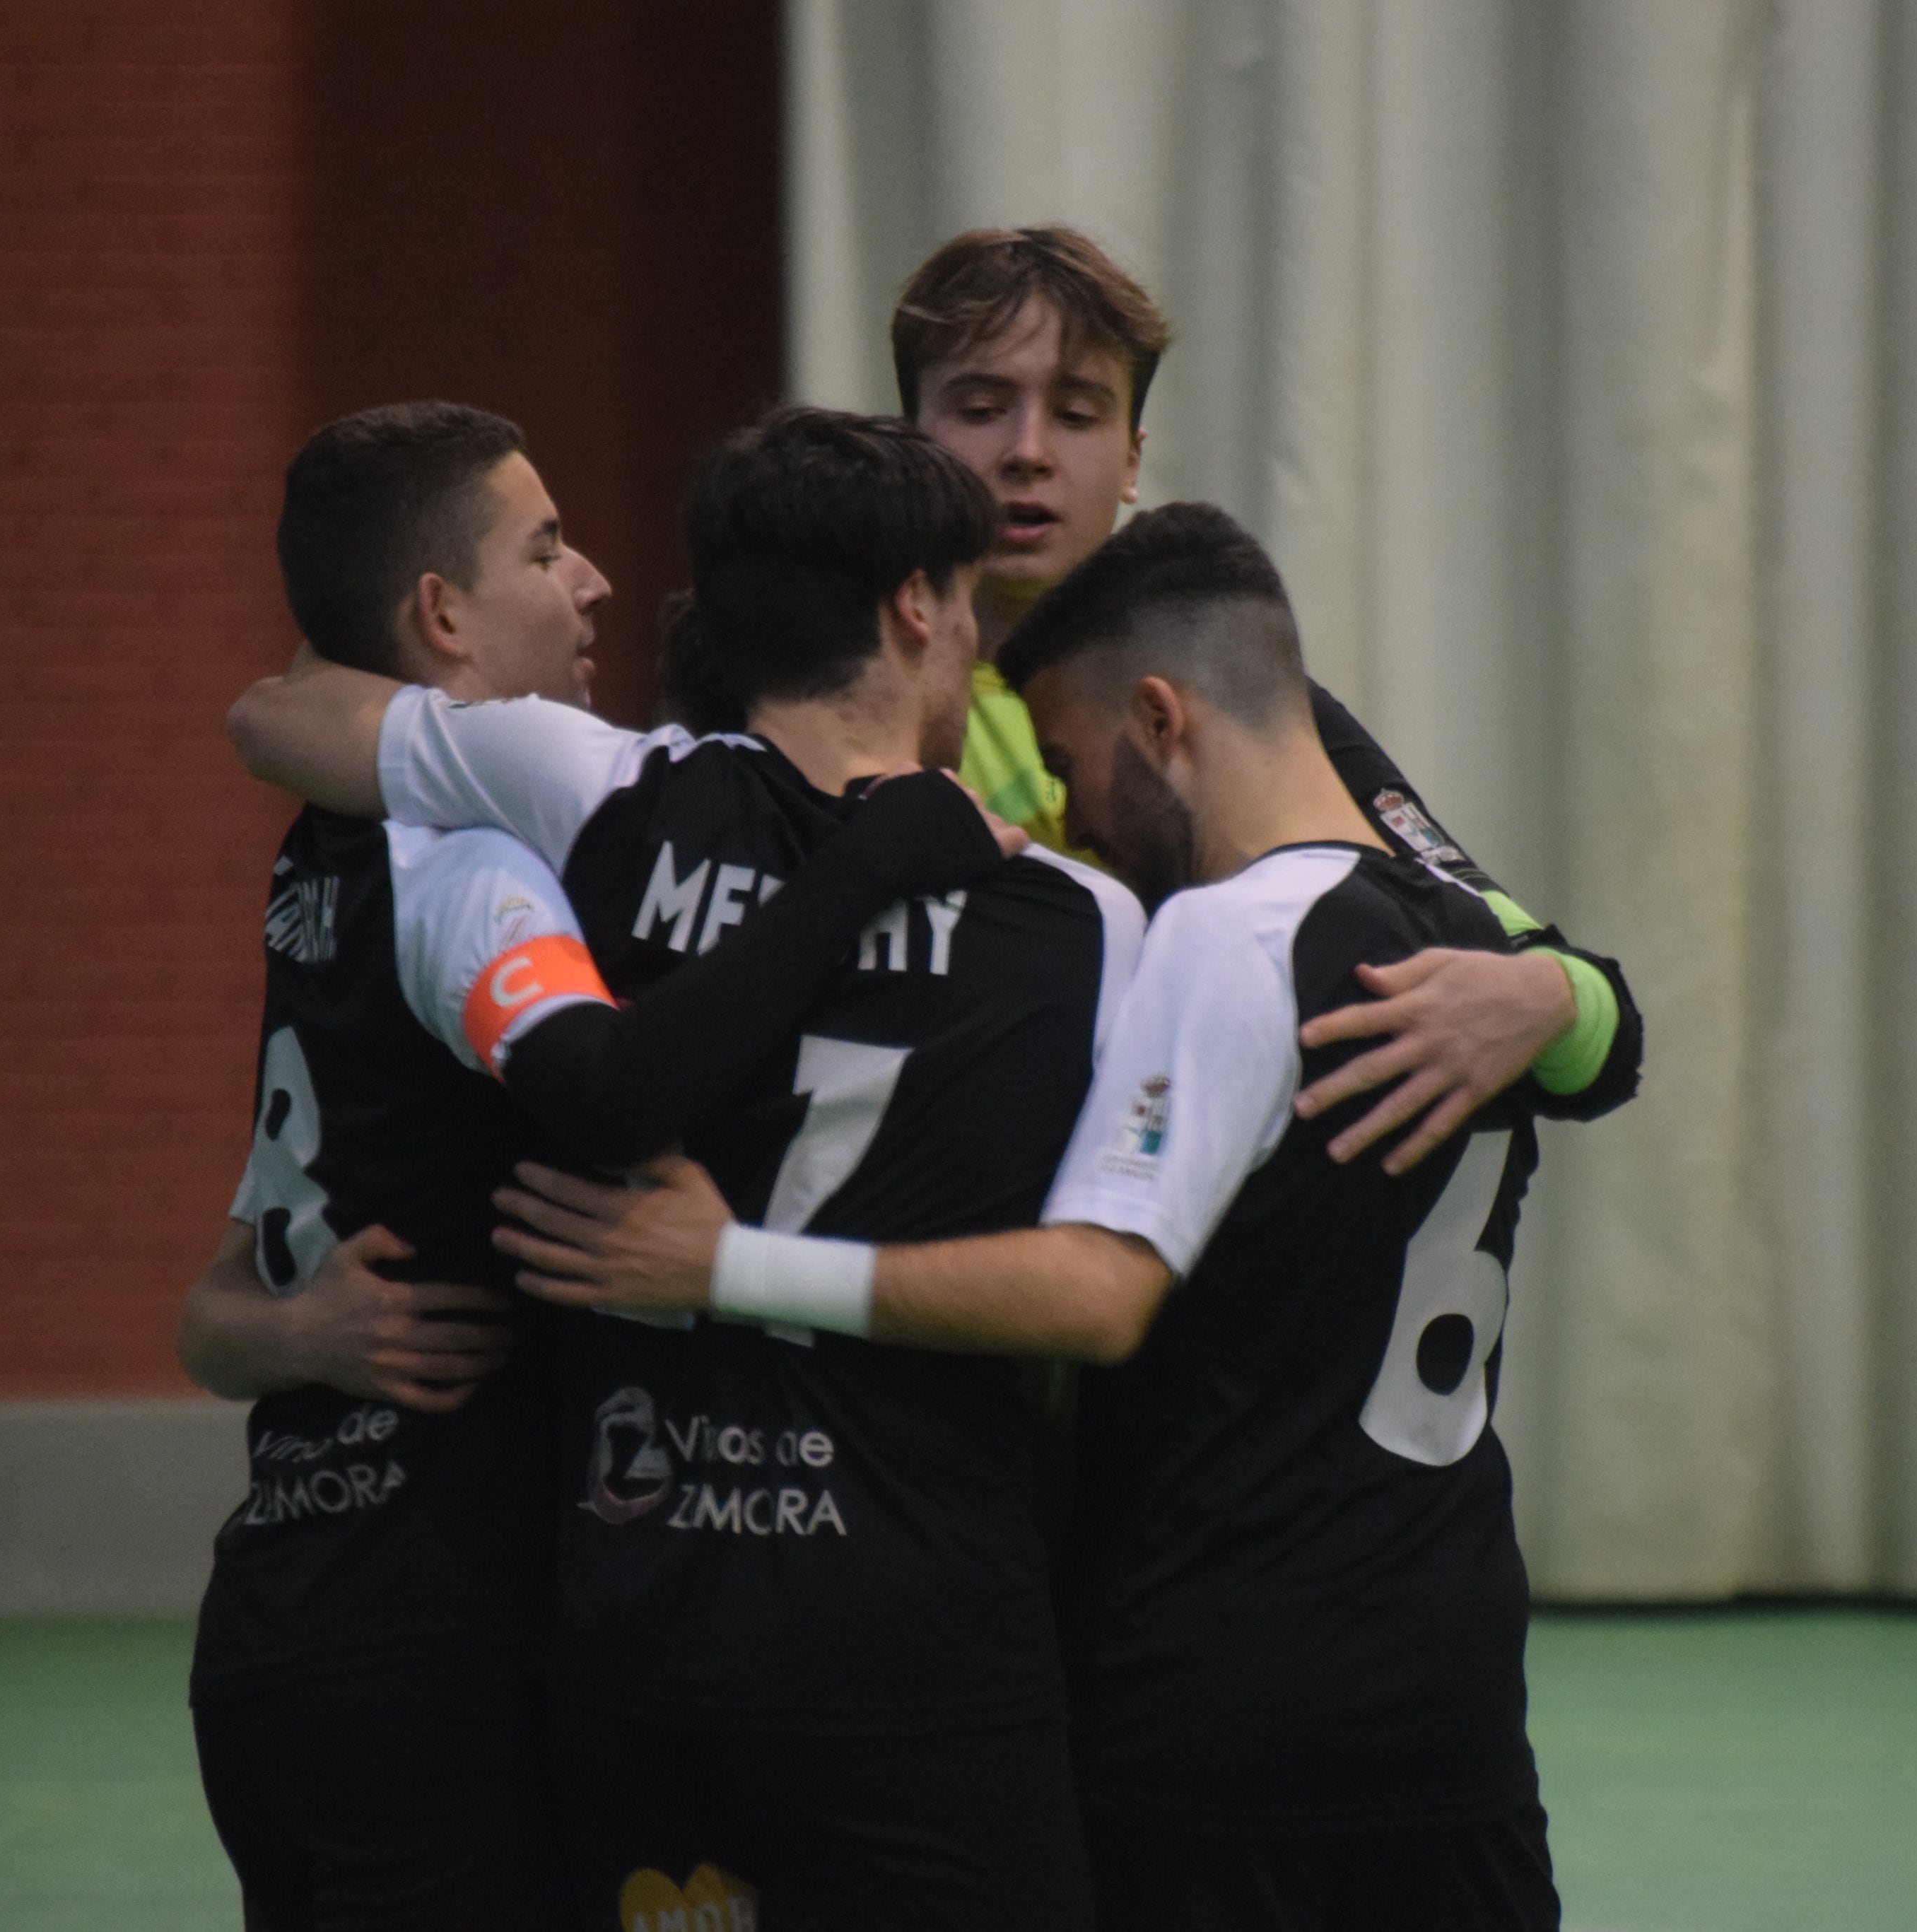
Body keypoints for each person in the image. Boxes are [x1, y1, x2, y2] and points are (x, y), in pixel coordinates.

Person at [499, 503, 1567, 1931]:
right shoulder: (1477, 946)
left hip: (1225, 1677)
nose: (1066, 816)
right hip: (1449, 1669)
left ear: (1158, 717)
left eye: (1070, 767)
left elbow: (1092, 1294)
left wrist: (726, 1260)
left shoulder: (1219, 935)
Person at [225, 406, 1145, 1931]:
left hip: (643, 1618)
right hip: (924, 1629)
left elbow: (288, 710)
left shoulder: (581, 789)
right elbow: (1103, 1283)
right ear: (914, 605)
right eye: (966, 610)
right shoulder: (1081, 922)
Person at [891, 226, 1641, 1168]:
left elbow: (1595, 1033)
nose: (1027, 451)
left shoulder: (1243, 701)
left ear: (1131, 459)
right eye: (982, 406)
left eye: (1077, 414)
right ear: (909, 440)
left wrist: (1549, 1001)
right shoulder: (835, 697)